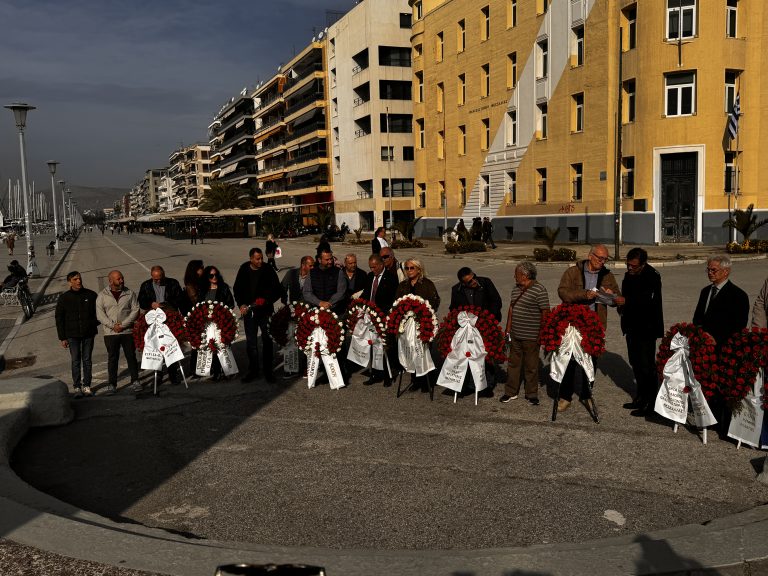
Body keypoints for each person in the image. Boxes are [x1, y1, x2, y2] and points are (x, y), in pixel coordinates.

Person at [556, 244, 623, 413]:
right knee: (569, 360)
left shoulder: (607, 275)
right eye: (600, 258)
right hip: (573, 323)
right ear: (590, 256)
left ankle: (586, 395)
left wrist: (612, 295)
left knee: (591, 362)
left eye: (605, 259)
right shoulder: (573, 272)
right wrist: (584, 294)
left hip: (595, 325)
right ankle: (565, 396)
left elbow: (617, 298)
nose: (602, 262)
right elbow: (563, 292)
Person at [619, 248, 664, 417]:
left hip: (646, 327)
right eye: (628, 264)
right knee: (635, 363)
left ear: (643, 264)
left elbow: (648, 300)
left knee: (646, 366)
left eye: (634, 266)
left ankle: (650, 402)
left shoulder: (652, 276)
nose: (630, 268)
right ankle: (640, 397)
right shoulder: (629, 275)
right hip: (631, 326)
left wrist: (626, 301)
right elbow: (626, 294)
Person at [500, 262, 550, 406]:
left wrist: (542, 333)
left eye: (516, 274)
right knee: (513, 364)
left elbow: (545, 312)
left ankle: (531, 394)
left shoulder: (540, 290)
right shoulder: (515, 289)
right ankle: (510, 392)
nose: (514, 276)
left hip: (531, 336)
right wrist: (508, 328)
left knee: (531, 366)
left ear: (525, 275)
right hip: (515, 334)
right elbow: (511, 308)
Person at [233, 247, 283, 383]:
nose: (260, 261)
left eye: (261, 258)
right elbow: (237, 289)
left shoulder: (268, 269)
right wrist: (241, 304)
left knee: (267, 340)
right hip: (249, 313)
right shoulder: (244, 269)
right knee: (251, 343)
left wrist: (266, 300)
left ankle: (268, 371)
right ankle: (253, 370)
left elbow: (277, 290)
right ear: (251, 259)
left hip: (265, 311)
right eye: (257, 259)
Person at [137, 265, 185, 386]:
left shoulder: (173, 283)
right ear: (151, 276)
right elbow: (141, 301)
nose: (158, 281)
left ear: (163, 275)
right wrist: (151, 304)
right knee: (156, 348)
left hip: (169, 319)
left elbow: (180, 299)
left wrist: (164, 305)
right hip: (153, 320)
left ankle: (173, 374)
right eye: (155, 279)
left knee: (170, 347)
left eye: (160, 278)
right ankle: (157, 375)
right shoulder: (146, 285)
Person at [95, 270, 140, 395]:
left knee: (131, 356)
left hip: (127, 331)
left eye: (122, 278)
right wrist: (113, 326)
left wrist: (123, 325)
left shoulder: (130, 293)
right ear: (110, 281)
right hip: (111, 333)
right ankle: (112, 384)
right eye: (118, 279)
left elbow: (135, 310)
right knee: (112, 358)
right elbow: (100, 315)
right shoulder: (102, 295)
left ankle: (135, 380)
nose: (122, 280)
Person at [55, 271, 98, 398]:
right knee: (75, 360)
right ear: (70, 282)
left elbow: (99, 312)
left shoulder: (91, 295)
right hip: (72, 335)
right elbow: (59, 318)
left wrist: (93, 324)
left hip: (88, 334)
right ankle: (77, 387)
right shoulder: (64, 298)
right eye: (75, 279)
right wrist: (62, 337)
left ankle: (87, 386)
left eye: (79, 278)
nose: (78, 281)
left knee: (87, 360)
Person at [693, 255, 750, 348]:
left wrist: (717, 339)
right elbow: (697, 318)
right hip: (702, 345)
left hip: (723, 347)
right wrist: (700, 335)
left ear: (726, 271)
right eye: (708, 270)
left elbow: (739, 325)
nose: (710, 273)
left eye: (714, 270)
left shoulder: (738, 295)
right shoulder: (705, 291)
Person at [361, 253, 400, 386]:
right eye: (370, 267)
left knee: (385, 346)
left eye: (374, 267)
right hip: (370, 316)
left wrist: (381, 313)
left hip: (383, 315)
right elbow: (366, 293)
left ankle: (388, 374)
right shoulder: (370, 276)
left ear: (381, 264)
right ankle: (375, 373)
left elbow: (392, 299)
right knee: (373, 345)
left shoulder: (391, 278)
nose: (372, 270)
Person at [199, 265, 235, 380]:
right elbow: (199, 305)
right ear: (207, 277)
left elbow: (231, 304)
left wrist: (222, 314)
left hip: (221, 322)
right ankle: (216, 371)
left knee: (223, 346)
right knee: (211, 346)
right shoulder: (203, 290)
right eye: (211, 276)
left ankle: (227, 370)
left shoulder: (223, 288)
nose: (214, 277)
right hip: (208, 324)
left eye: (216, 275)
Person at [302, 248, 347, 316]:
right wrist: (319, 303)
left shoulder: (338, 272)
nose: (330, 262)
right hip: (315, 311)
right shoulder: (312, 273)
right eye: (327, 260)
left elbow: (341, 292)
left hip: (335, 310)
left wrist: (329, 303)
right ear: (319, 260)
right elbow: (307, 292)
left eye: (331, 259)